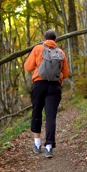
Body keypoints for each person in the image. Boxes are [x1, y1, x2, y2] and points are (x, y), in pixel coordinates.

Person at [24, 30, 69, 158]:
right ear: (55, 40)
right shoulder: (60, 52)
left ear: (44, 38)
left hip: (39, 84)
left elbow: (28, 67)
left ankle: (37, 144)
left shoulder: (38, 49)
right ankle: (49, 147)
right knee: (50, 116)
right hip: (54, 87)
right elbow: (65, 74)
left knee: (37, 112)